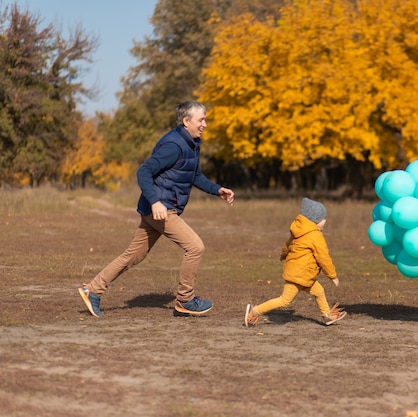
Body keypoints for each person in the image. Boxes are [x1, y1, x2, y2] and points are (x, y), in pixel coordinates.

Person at [78, 100, 235, 318]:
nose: (205, 124)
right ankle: (185, 300)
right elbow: (144, 171)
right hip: (160, 209)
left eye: (205, 119)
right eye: (201, 119)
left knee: (132, 256)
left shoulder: (191, 144)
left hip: (160, 208)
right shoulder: (173, 146)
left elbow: (195, 176)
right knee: (195, 247)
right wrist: (155, 201)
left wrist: (218, 190)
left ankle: (92, 290)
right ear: (186, 121)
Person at [245, 198, 347, 327]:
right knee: (284, 301)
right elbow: (323, 257)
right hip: (300, 275)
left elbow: (288, 244)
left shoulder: (299, 231)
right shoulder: (315, 236)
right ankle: (254, 311)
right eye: (323, 218)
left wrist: (283, 254)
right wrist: (332, 276)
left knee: (319, 291)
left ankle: (327, 316)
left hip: (303, 274)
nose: (325, 221)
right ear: (314, 220)